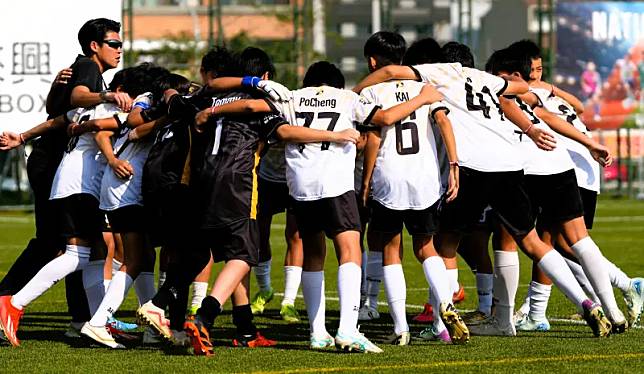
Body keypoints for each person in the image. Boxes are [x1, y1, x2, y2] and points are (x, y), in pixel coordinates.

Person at [353, 38, 613, 338]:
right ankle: (586, 304)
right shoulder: (483, 78)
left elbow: (388, 74)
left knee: (442, 245)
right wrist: (522, 93)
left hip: (474, 165)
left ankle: (441, 326)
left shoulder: (436, 73)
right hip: (509, 163)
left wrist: (355, 92)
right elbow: (518, 90)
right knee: (532, 242)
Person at [0, 17, 131, 342]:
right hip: (57, 166)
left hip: (56, 164)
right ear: (94, 46)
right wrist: (107, 98)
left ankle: (89, 319)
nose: (119, 50)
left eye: (120, 44)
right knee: (62, 245)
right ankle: (8, 301)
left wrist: (24, 136)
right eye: (114, 44)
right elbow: (75, 101)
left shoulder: (86, 72)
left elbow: (59, 113)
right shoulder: (88, 68)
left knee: (91, 245)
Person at [359, 32, 464, 345]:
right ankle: (444, 307)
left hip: (390, 177)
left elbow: (375, 137)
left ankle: (401, 328)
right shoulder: (423, 86)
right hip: (425, 179)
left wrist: (365, 182)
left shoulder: (371, 92)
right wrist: (454, 166)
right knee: (426, 247)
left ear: (372, 61)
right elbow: (444, 121)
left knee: (392, 249)